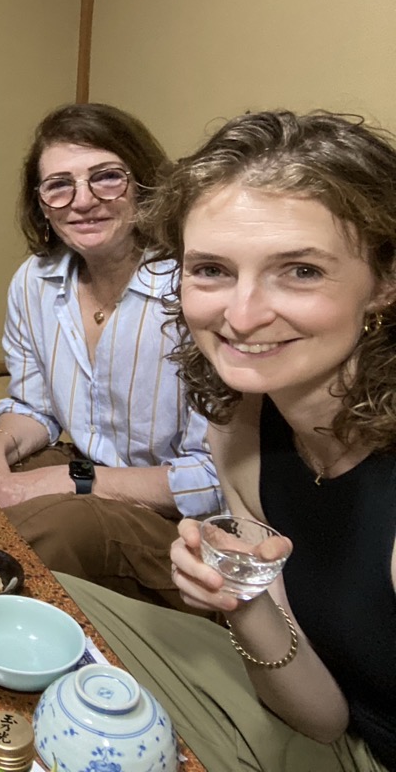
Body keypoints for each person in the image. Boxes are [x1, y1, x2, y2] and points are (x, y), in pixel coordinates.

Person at [61, 110, 396, 772]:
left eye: (299, 271)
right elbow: (323, 715)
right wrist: (241, 599)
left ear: (384, 283)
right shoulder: (241, 420)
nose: (241, 317)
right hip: (333, 732)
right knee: (46, 602)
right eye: (211, 269)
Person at [0, 103, 221, 613]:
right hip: (89, 467)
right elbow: (34, 407)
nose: (82, 201)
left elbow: (213, 481)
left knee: (39, 532)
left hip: (182, 522)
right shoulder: (35, 281)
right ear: (41, 203)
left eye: (107, 178)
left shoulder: (194, 290)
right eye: (59, 185)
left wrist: (73, 481)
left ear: (147, 185)